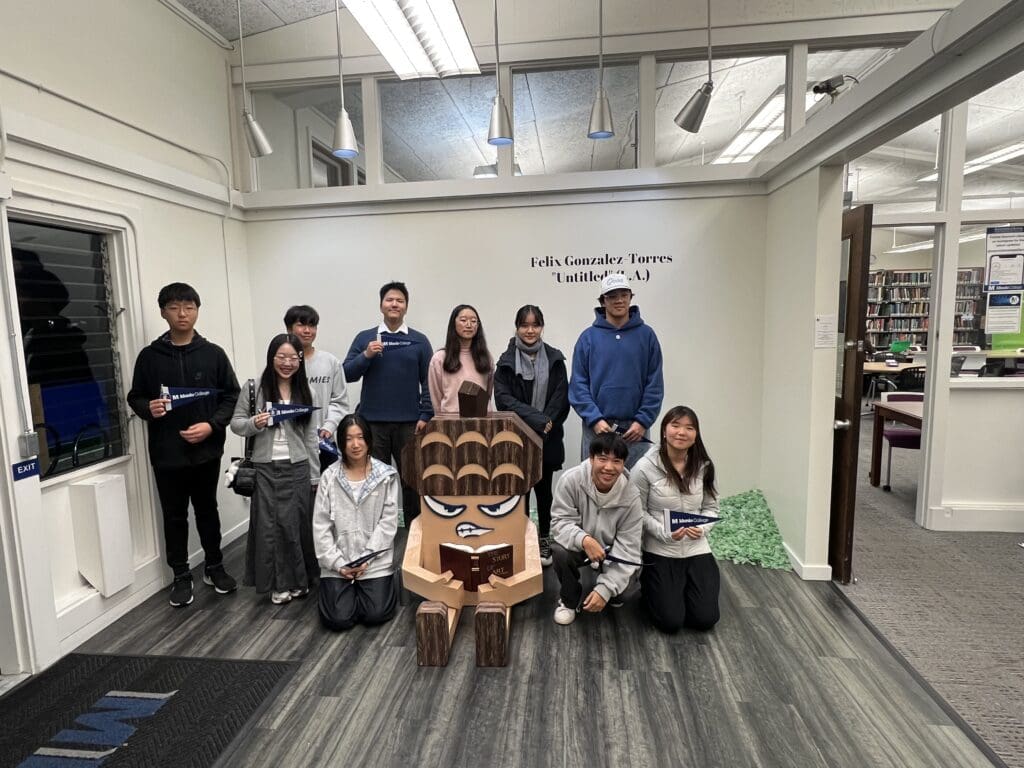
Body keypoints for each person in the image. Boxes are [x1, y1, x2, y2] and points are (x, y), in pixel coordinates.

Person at [127, 282, 240, 608]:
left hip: (205, 451)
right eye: (175, 307)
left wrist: (212, 425)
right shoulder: (149, 357)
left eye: (189, 307)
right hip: (167, 453)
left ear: (197, 311)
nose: (182, 314)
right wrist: (149, 408)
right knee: (174, 515)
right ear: (163, 311)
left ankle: (214, 567)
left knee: (208, 510)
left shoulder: (213, 354)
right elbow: (135, 396)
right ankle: (180, 575)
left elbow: (230, 395)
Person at [230, 333, 318, 605]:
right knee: (270, 528)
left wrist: (315, 475)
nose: (288, 363)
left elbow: (311, 436)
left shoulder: (307, 391)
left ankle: (298, 581)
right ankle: (278, 584)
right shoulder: (254, 388)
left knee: (296, 525)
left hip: (298, 466)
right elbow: (236, 424)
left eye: (293, 357)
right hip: (265, 466)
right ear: (271, 358)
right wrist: (256, 423)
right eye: (282, 357)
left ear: (300, 361)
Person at [343, 282, 433, 525]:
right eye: (390, 300)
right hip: (372, 424)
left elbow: (429, 381)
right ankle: (376, 533)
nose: (394, 304)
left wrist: (426, 415)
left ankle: (416, 533)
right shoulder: (365, 338)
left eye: (400, 301)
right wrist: (366, 355)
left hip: (409, 424)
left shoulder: (419, 341)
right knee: (375, 482)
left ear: (406, 306)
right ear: (381, 304)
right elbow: (347, 374)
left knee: (411, 481)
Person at [632, 406, 720, 633]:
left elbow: (711, 508)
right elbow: (637, 512)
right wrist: (663, 532)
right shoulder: (644, 467)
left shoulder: (704, 467)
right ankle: (651, 589)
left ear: (696, 434)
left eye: (689, 428)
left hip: (696, 548)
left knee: (704, 619)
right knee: (670, 622)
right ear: (663, 431)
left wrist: (703, 528)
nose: (682, 432)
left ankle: (679, 592)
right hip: (661, 549)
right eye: (675, 425)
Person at [494, 304, 570, 567]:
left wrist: (546, 423)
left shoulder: (554, 358)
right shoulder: (506, 361)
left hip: (547, 439)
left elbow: (561, 396)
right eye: (524, 325)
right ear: (517, 327)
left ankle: (545, 539)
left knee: (544, 492)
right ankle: (522, 539)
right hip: (518, 439)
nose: (529, 330)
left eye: (535, 325)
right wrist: (539, 420)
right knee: (520, 493)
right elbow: (504, 400)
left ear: (541, 327)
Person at [313, 414, 400, 631]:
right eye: (349, 439)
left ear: (369, 440)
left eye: (360, 437)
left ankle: (367, 588)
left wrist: (367, 558)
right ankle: (347, 591)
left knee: (376, 614)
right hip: (338, 562)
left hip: (374, 561)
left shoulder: (386, 476)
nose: (355, 444)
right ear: (341, 443)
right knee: (338, 620)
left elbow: (388, 523)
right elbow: (321, 525)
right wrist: (336, 563)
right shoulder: (329, 477)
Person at [569, 273, 664, 469]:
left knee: (636, 487)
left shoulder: (647, 336)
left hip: (635, 431)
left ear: (631, 297)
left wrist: (642, 421)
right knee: (594, 487)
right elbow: (578, 385)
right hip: (596, 429)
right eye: (612, 296)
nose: (619, 300)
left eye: (624, 294)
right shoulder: (588, 338)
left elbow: (654, 384)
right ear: (603, 301)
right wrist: (595, 420)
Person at [285, 304, 350, 585]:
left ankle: (332, 562)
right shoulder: (282, 362)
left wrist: (328, 426)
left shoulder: (329, 362)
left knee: (329, 505)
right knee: (298, 508)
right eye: (301, 325)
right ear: (289, 328)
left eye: (311, 325)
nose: (307, 330)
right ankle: (304, 565)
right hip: (291, 448)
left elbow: (340, 401)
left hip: (324, 445)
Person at [549, 432, 643, 625]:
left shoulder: (632, 496)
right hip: (580, 546)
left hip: (612, 550)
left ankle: (608, 582)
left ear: (624, 464)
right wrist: (584, 539)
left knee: (622, 595)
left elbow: (629, 548)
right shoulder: (571, 480)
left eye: (616, 461)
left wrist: (606, 589)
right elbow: (559, 522)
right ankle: (569, 600)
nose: (609, 467)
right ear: (591, 459)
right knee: (559, 551)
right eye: (602, 459)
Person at [428, 304, 494, 415]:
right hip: (450, 422)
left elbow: (488, 391)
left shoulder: (486, 357)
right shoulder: (439, 358)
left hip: (483, 421)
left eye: (474, 321)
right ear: (453, 324)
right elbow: (436, 397)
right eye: (463, 320)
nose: (469, 325)